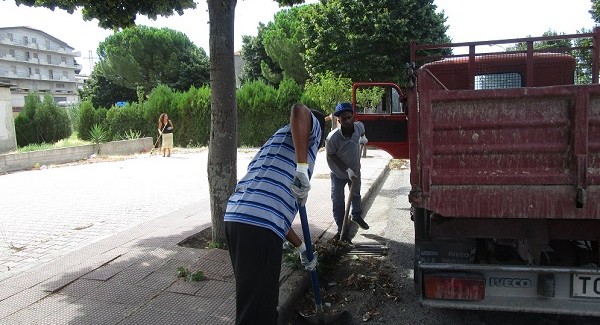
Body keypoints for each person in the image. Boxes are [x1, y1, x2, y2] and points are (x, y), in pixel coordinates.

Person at [224, 103, 326, 325]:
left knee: (256, 305)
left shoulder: (274, 146)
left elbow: (272, 212)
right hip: (258, 227)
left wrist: (301, 247)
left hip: (237, 220)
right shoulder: (310, 135)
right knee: (257, 315)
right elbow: (300, 110)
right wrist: (302, 167)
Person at [326, 102, 369, 242]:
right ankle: (343, 232)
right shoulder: (332, 138)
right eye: (343, 119)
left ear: (353, 117)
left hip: (355, 171)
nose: (346, 121)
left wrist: (363, 138)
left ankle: (356, 215)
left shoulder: (359, 126)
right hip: (338, 173)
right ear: (339, 120)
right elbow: (330, 155)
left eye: (349, 117)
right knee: (338, 202)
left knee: (355, 195)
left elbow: (363, 132)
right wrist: (346, 169)